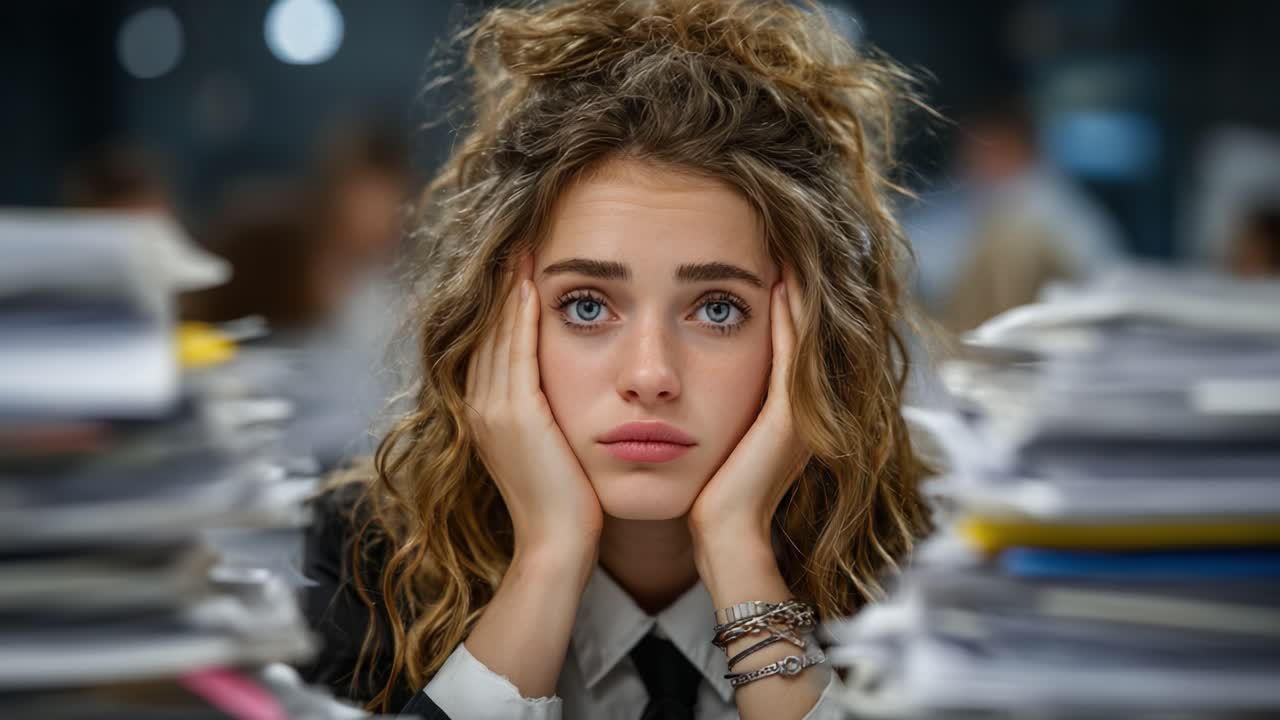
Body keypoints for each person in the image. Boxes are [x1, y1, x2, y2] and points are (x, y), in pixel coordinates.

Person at [297, 1, 932, 718]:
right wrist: (548, 558)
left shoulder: (936, 579)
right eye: (588, 306)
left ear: (809, 333)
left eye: (718, 309)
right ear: (496, 317)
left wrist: (739, 553)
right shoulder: (358, 564)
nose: (650, 377)